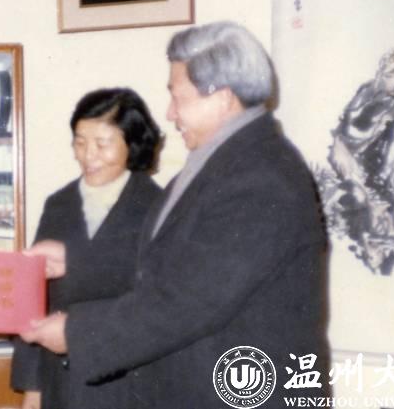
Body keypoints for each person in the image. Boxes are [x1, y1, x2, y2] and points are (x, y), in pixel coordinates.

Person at [21, 21, 330, 408]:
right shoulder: (226, 162)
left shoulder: (260, 176)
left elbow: (188, 299)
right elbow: (175, 262)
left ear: (222, 97)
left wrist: (77, 333)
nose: (169, 113)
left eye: (177, 97)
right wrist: (76, 260)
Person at [11, 88, 163, 409]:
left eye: (102, 144)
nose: (88, 156)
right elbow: (34, 299)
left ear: (132, 145)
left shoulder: (157, 206)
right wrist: (32, 389)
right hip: (62, 381)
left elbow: (158, 300)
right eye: (79, 142)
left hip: (128, 383)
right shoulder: (58, 204)